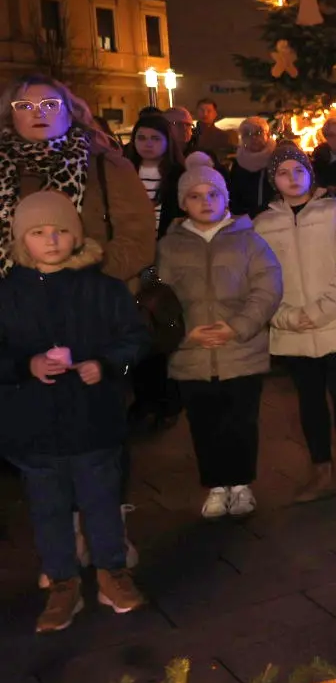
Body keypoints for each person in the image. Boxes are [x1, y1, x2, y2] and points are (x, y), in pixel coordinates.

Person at [0, 191, 151, 631]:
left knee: (102, 501)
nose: (52, 240)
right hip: (34, 426)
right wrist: (24, 366)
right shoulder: (9, 294)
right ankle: (62, 582)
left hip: (94, 421)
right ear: (21, 240)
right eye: (39, 233)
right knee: (47, 507)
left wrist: (104, 365)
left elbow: (136, 341)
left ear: (78, 236)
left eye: (62, 230)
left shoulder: (103, 289)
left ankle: (111, 572)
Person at [158, 163, 283, 519]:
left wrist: (239, 326)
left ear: (225, 197)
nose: (205, 201)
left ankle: (241, 485)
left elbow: (267, 286)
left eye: (213, 194)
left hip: (241, 350)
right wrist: (180, 331)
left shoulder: (250, 239)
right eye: (195, 196)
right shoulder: (168, 246)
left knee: (241, 421)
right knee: (204, 423)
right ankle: (216, 485)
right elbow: (155, 295)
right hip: (192, 353)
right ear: (183, 203)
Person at [255, 144, 336, 502]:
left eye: (298, 170)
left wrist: (322, 309)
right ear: (273, 180)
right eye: (283, 172)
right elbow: (263, 279)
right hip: (292, 327)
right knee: (309, 401)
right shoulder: (264, 224)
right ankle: (321, 469)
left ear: (310, 173)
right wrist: (287, 315)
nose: (292, 179)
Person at [1, 74, 154, 286]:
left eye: (50, 104)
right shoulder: (5, 168)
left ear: (70, 112)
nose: (38, 112)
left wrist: (81, 279)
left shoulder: (107, 166)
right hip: (13, 305)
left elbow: (137, 240)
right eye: (25, 106)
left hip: (93, 302)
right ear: (11, 115)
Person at [124, 114, 186, 431]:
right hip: (132, 260)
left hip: (162, 259)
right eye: (142, 138)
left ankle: (168, 399)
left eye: (155, 138)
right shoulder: (124, 171)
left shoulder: (176, 175)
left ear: (166, 142)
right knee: (135, 329)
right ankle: (143, 398)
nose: (147, 144)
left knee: (162, 327)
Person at [226, 116, 277, 219]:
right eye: (247, 134)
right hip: (245, 220)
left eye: (258, 133)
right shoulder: (238, 162)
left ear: (267, 134)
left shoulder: (277, 158)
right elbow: (234, 194)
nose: (253, 138)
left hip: (274, 217)